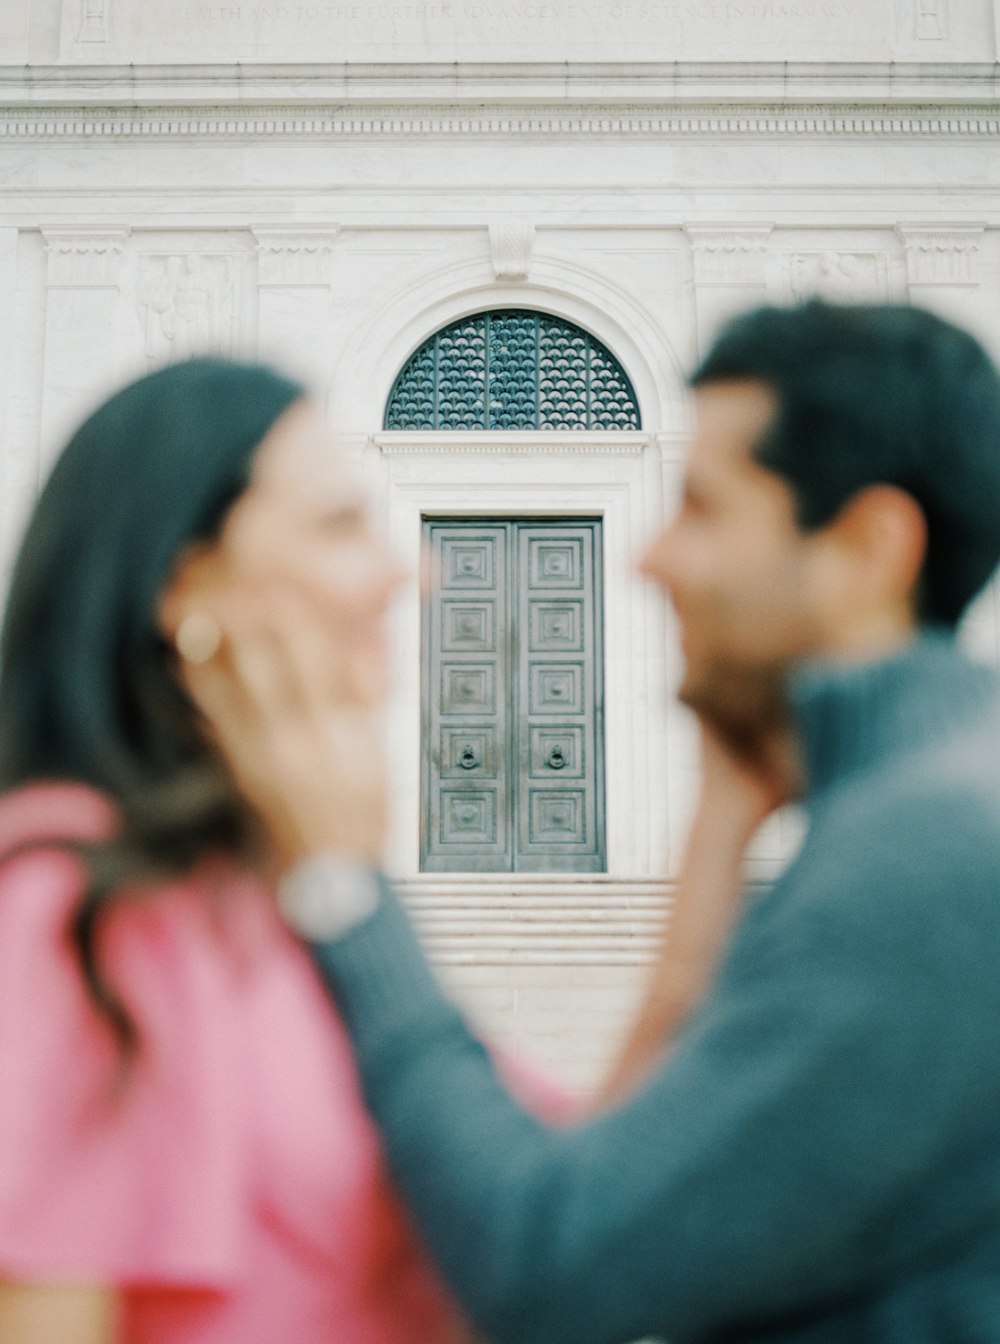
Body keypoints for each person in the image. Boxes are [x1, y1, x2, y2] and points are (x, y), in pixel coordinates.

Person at [179, 300, 1000, 1344]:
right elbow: (631, 1184)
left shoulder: (924, 868)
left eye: (700, 509)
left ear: (867, 545)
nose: (645, 557)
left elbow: (552, 1266)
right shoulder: (922, 811)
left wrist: (345, 884)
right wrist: (714, 834)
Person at [0, 358, 479, 1343]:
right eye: (341, 526)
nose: (412, 570)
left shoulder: (280, 882)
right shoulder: (73, 902)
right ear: (185, 581)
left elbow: (562, 1215)